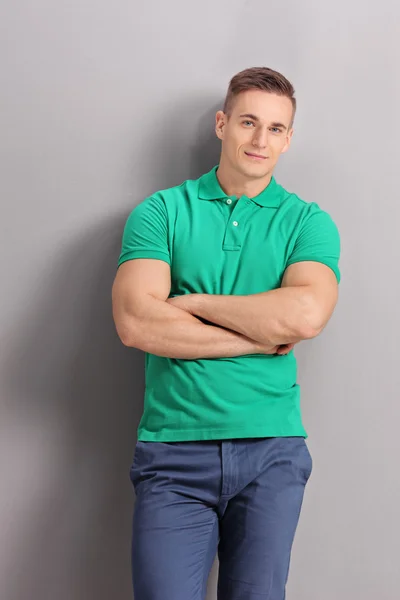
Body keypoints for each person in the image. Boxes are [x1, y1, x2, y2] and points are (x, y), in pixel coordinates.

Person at [112, 66, 341, 600]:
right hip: (172, 452)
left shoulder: (308, 222)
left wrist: (195, 305)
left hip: (272, 453)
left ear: (288, 139)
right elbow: (135, 321)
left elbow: (305, 316)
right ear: (222, 124)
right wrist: (258, 336)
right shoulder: (162, 212)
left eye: (276, 128)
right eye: (248, 122)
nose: (260, 140)